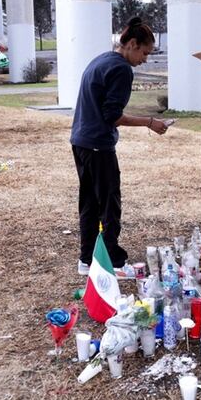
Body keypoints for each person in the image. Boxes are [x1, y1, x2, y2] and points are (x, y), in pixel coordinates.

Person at [71, 16, 169, 276]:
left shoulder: (101, 60)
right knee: (109, 204)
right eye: (145, 53)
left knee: (89, 203)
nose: (145, 59)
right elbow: (112, 115)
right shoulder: (121, 69)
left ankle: (87, 260)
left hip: (80, 141)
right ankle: (113, 261)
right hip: (98, 144)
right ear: (132, 44)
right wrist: (150, 122)